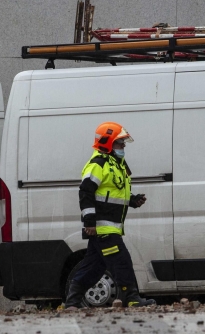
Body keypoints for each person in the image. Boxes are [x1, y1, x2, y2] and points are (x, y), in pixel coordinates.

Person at [64, 122, 156, 309]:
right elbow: (86, 193)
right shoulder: (98, 164)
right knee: (122, 261)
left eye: (123, 144)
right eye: (120, 143)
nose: (123, 147)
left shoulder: (115, 164)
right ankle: (131, 297)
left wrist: (132, 200)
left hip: (110, 226)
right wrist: (89, 221)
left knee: (94, 267)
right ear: (107, 143)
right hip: (102, 227)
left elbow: (113, 193)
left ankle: (72, 302)